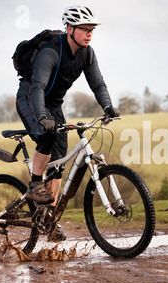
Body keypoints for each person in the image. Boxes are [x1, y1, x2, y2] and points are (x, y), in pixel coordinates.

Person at [16, 5, 120, 240]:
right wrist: (42, 117)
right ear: (70, 29)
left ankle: (47, 218)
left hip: (53, 106)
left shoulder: (87, 53)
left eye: (92, 29)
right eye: (84, 29)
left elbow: (98, 85)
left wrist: (107, 107)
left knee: (60, 160)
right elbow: (38, 87)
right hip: (31, 99)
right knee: (47, 136)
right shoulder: (51, 52)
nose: (89, 33)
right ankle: (34, 184)